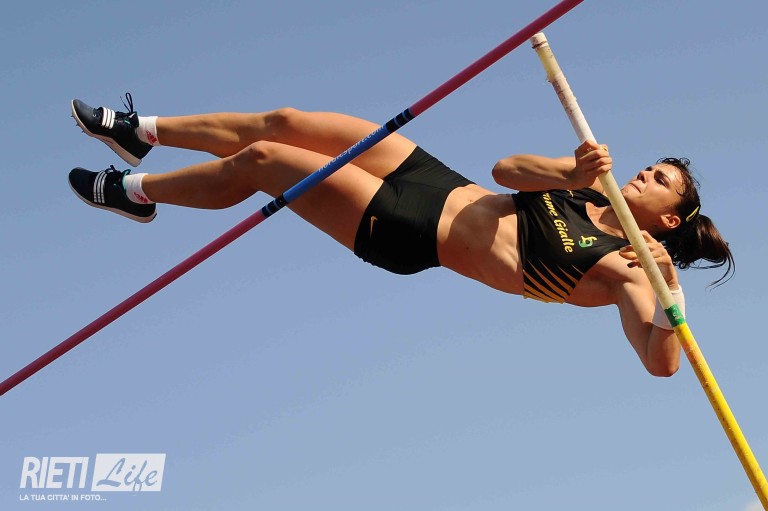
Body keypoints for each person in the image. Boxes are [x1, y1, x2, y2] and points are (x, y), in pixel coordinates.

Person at [68, 94, 734, 377]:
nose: (644, 174)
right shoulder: (587, 189)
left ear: (669, 220)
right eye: (651, 167)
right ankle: (141, 131)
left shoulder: (628, 268)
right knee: (285, 121)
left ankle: (135, 193)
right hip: (435, 179)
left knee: (264, 162)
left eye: (659, 181)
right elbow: (504, 170)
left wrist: (671, 295)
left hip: (412, 230)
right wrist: (570, 170)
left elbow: (661, 362)